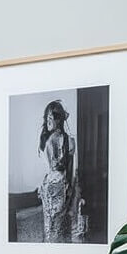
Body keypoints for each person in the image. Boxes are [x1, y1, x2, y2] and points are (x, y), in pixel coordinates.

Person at [37, 100, 86, 243]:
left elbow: (71, 169)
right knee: (49, 227)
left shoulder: (68, 141)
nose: (48, 121)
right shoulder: (47, 140)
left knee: (56, 227)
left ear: (59, 120)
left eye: (51, 118)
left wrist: (70, 191)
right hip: (48, 188)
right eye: (46, 118)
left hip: (61, 187)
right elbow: (49, 166)